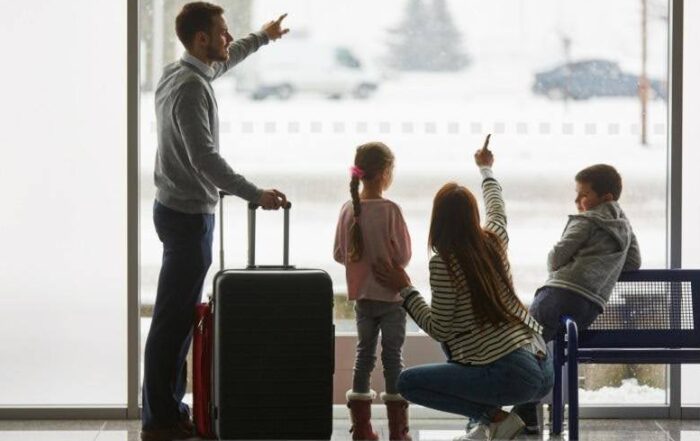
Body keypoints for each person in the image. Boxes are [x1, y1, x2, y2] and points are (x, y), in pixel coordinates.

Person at [141, 3, 289, 440]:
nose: (228, 39)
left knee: (176, 318)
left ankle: (167, 409)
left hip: (177, 210)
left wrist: (261, 37)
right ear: (201, 39)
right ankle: (161, 419)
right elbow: (204, 158)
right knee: (172, 322)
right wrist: (254, 194)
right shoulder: (190, 88)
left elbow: (227, 60)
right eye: (222, 33)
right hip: (188, 218)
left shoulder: (181, 73)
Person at [373, 139, 553, 441]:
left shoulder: (443, 262)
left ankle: (492, 418)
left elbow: (440, 327)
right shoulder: (494, 240)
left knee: (408, 383)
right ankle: (488, 423)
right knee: (461, 343)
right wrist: (485, 168)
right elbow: (497, 206)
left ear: (438, 220)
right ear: (472, 215)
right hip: (542, 365)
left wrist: (405, 289)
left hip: (512, 374)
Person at [513, 164, 641, 434]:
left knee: (524, 338)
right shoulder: (624, 227)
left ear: (604, 198)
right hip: (589, 306)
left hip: (559, 294)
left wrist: (562, 261)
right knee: (539, 343)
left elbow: (557, 258)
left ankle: (525, 410)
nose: (577, 201)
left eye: (583, 194)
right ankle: (526, 409)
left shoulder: (585, 220)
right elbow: (633, 263)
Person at [334, 142, 412, 441]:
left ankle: (362, 429)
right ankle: (398, 431)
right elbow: (403, 256)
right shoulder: (391, 210)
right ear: (384, 173)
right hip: (391, 300)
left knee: (363, 357)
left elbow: (340, 253)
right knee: (393, 358)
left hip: (363, 299)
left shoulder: (347, 209)